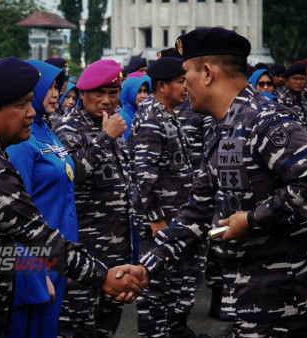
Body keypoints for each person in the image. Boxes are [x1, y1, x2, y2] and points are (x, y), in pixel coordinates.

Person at [0, 57, 146, 337]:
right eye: (21, 105)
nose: (30, 113)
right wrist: (103, 277)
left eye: (29, 102)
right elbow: (39, 238)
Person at [133, 27, 307, 337]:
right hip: (255, 295)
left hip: (287, 296)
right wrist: (146, 267)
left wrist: (252, 218)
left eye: (186, 72)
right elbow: (197, 211)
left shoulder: (263, 119)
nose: (184, 82)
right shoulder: (223, 127)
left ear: (206, 73)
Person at [128, 56, 207, 338]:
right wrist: (155, 220)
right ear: (162, 86)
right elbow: (143, 178)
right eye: (179, 82)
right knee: (155, 289)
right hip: (160, 222)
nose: (185, 87)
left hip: (175, 219)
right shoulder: (152, 118)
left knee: (173, 285)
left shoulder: (167, 112)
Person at [55, 59, 134, 337]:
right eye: (99, 93)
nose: (106, 101)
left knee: (107, 325)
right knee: (76, 325)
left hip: (116, 247)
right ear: (83, 93)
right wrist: (104, 137)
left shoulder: (115, 125)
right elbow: (70, 174)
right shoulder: (68, 129)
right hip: (85, 249)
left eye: (113, 94)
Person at [6, 59, 75, 338]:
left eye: (58, 86)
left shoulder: (45, 130)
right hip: (35, 262)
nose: (56, 93)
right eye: (49, 87)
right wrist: (32, 273)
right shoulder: (22, 140)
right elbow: (15, 214)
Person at [118, 75, 150, 140]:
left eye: (145, 91)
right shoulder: (124, 118)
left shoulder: (143, 112)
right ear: (129, 93)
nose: (143, 95)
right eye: (139, 91)